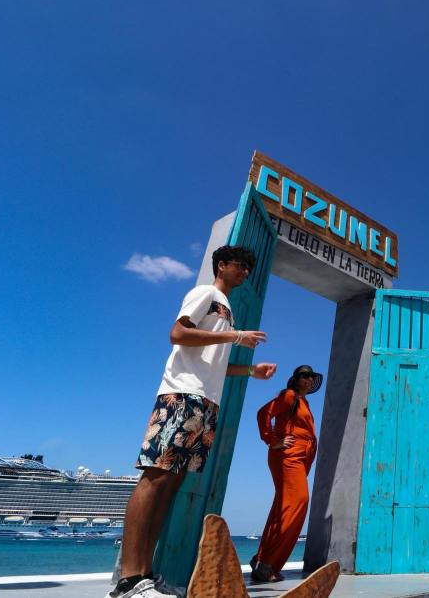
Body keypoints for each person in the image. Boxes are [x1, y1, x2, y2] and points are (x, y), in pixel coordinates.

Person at [110, 245, 278, 598]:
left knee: (171, 485)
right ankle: (128, 580)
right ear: (222, 265)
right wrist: (236, 336)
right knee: (155, 477)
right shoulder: (206, 294)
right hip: (181, 395)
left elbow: (214, 363)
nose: (245, 271)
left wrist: (251, 371)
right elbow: (178, 334)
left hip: (206, 403)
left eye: (249, 267)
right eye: (240, 265)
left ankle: (146, 576)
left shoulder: (227, 309)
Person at [250, 365, 323, 583]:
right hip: (288, 456)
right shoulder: (289, 396)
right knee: (298, 501)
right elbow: (263, 413)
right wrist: (272, 440)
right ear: (296, 379)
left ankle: (261, 559)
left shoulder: (303, 402)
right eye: (304, 375)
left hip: (300, 458)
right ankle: (268, 564)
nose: (309, 379)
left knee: (281, 508)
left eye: (312, 376)